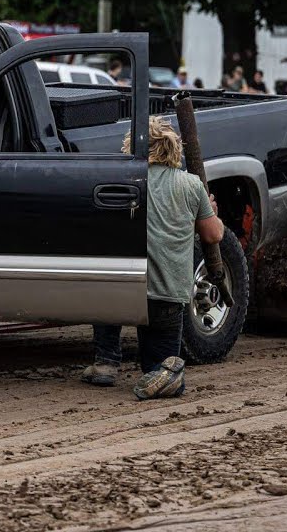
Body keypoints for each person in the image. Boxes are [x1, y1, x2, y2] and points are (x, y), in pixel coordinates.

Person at [82, 116, 224, 399]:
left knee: (106, 295)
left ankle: (106, 362)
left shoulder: (123, 182)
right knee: (158, 366)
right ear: (174, 148)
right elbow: (213, 235)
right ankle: (163, 374)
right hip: (168, 296)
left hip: (125, 290)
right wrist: (210, 211)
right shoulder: (191, 185)